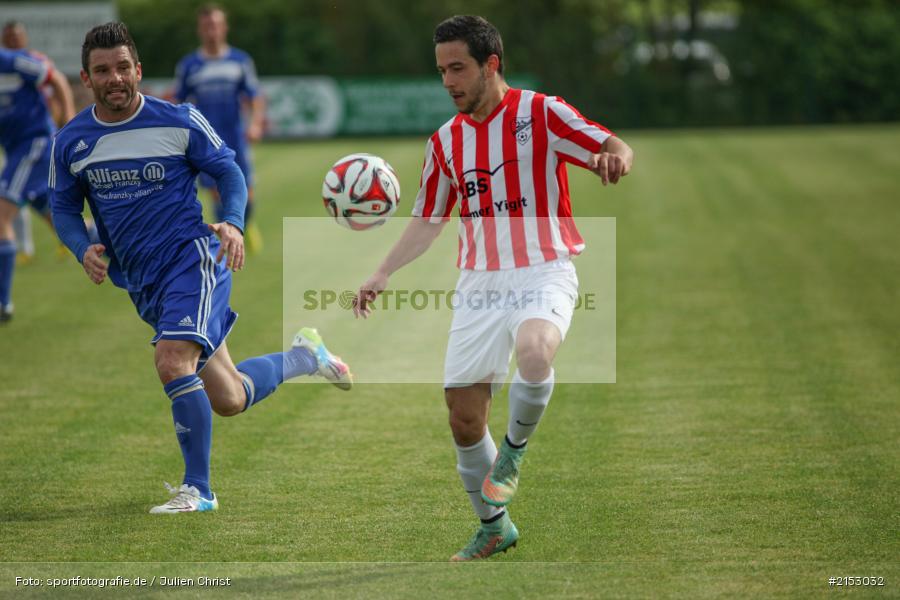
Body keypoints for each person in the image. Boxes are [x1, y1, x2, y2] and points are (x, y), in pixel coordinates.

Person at [354, 15, 633, 561]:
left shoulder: (542, 113)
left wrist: (616, 159)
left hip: (545, 268)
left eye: (458, 68)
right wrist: (383, 271)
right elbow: (430, 218)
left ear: (491, 64)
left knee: (535, 351)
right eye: (441, 71)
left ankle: (514, 455)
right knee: (463, 418)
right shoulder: (445, 142)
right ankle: (494, 525)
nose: (448, 81)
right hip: (479, 283)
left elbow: (614, 144)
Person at [51, 22, 352, 514]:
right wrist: (77, 245)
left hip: (193, 261)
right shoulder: (72, 142)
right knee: (229, 397)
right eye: (103, 70)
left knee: (172, 359)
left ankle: (200, 490)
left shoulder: (178, 120)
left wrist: (233, 221)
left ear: (139, 70)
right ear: (86, 78)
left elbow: (228, 171)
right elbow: (63, 207)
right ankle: (305, 357)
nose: (115, 78)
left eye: (123, 67)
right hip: (144, 281)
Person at [172, 3, 265, 254]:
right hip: (206, 142)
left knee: (247, 191)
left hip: (236, 136)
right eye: (206, 26)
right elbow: (178, 102)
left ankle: (246, 225)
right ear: (199, 30)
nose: (211, 30)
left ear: (224, 28)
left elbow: (254, 96)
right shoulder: (189, 65)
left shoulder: (240, 61)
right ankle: (225, 239)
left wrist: (255, 123)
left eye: (215, 25)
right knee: (217, 192)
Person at [0, 39, 75, 322]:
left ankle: (2, 304)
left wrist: (67, 120)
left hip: (35, 144)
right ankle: (121, 252)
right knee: (62, 222)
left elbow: (55, 77)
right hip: (16, 151)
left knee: (1, 215)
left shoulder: (14, 62)